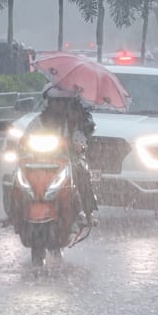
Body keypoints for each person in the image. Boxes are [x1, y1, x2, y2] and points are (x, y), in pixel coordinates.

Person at [29, 83, 99, 226]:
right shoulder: (37, 121)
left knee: (81, 170)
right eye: (56, 101)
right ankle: (14, 213)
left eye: (63, 102)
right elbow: (26, 138)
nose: (59, 105)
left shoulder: (72, 122)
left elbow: (80, 137)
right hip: (37, 161)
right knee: (17, 176)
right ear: (48, 102)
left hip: (67, 160)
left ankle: (86, 212)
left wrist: (79, 145)